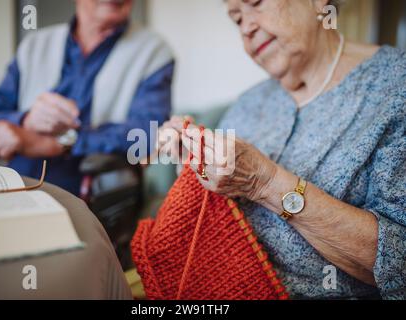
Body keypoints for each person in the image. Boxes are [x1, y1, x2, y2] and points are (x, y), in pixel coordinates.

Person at [159, 0, 405, 299]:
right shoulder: (249, 103)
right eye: (236, 19)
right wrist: (192, 158)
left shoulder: (396, 86)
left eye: (256, 3)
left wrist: (266, 183)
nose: (247, 28)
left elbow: (399, 262)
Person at [0, 0, 174, 195]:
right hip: (8, 183)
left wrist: (60, 143)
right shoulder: (34, 45)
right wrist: (25, 121)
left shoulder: (154, 52)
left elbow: (149, 133)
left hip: (92, 196)